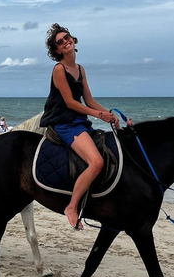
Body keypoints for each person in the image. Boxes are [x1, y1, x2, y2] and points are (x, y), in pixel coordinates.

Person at [39, 23, 122, 229]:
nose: (66, 41)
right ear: (57, 50)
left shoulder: (80, 69)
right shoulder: (59, 69)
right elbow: (71, 103)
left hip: (78, 121)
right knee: (97, 163)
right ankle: (72, 206)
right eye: (60, 41)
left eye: (67, 37)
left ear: (73, 41)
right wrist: (98, 115)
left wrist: (109, 115)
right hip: (65, 123)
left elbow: (89, 99)